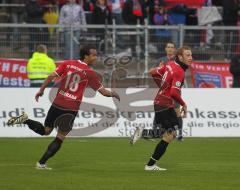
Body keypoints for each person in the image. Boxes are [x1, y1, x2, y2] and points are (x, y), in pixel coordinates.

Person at [7, 46, 120, 170]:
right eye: (93, 55)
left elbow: (51, 76)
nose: (95, 57)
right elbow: (103, 92)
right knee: (60, 137)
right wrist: (113, 93)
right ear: (86, 56)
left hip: (57, 103)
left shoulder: (67, 63)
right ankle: (41, 163)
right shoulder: (90, 73)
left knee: (46, 131)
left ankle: (25, 120)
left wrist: (41, 90)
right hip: (71, 108)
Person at [142, 46, 192, 171]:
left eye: (191, 55)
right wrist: (183, 104)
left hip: (161, 102)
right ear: (180, 57)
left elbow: (153, 72)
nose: (190, 58)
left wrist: (162, 87)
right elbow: (174, 93)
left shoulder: (170, 64)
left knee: (169, 133)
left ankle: (143, 134)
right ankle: (150, 165)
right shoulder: (179, 71)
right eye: (187, 55)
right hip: (164, 103)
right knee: (170, 134)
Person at [131, 42, 184, 143]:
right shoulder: (161, 61)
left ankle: (179, 134)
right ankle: (151, 133)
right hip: (164, 92)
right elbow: (151, 71)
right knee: (165, 115)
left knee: (176, 113)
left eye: (172, 47)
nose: (170, 49)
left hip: (174, 91)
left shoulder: (177, 61)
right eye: (168, 47)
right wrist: (159, 68)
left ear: (175, 49)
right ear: (165, 49)